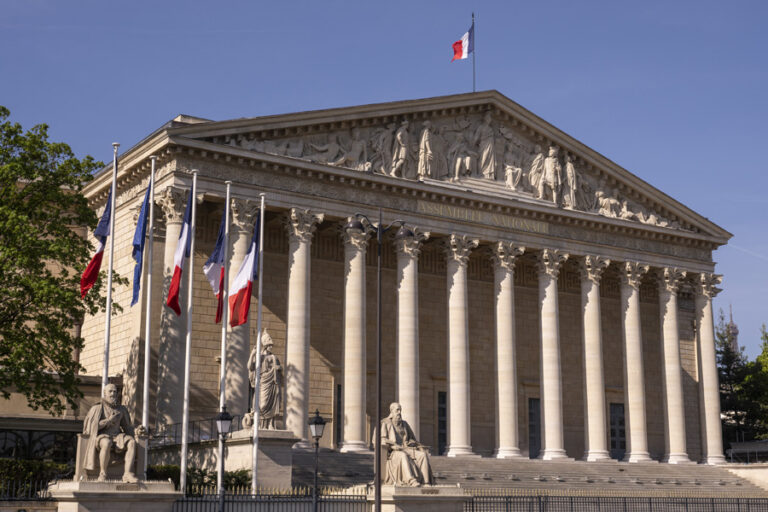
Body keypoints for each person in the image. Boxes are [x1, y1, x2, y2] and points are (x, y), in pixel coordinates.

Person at [82, 384, 144, 482]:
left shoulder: (122, 409)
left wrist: (137, 431)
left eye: (115, 391)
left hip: (117, 436)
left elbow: (127, 427)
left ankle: (127, 474)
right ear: (105, 393)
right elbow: (92, 427)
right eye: (110, 391)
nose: (113, 394)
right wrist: (109, 420)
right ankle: (103, 473)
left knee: (131, 442)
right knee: (106, 443)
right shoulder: (97, 408)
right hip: (102, 436)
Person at [380, 402, 433, 486]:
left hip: (406, 448)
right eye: (397, 410)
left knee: (422, 455)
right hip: (393, 452)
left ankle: (426, 482)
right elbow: (382, 439)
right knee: (402, 455)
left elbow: (412, 439)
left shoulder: (404, 424)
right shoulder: (385, 423)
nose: (399, 412)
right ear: (391, 411)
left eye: (400, 410)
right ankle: (411, 480)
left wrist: (412, 443)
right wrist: (393, 446)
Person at [248, 330, 283, 429]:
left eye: (271, 345)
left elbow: (280, 369)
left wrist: (278, 368)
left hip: (272, 382)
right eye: (270, 345)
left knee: (272, 403)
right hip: (263, 382)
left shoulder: (273, 357)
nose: (272, 347)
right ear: (265, 345)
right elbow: (250, 366)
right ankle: (259, 423)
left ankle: (270, 424)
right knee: (262, 404)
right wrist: (252, 354)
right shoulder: (259, 356)